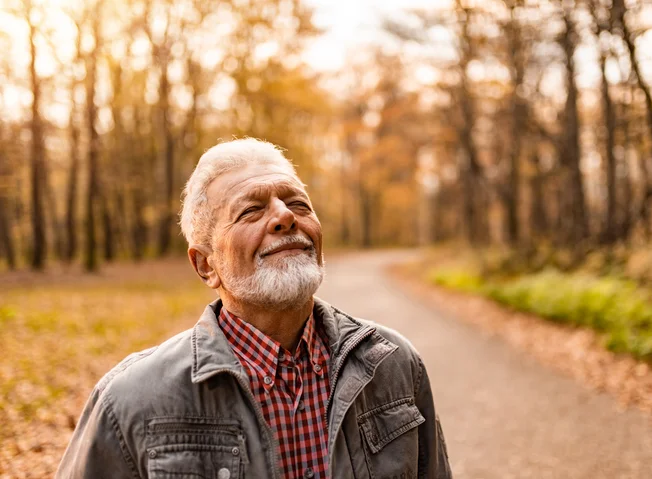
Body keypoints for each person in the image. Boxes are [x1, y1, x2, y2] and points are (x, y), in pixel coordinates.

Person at [56, 138, 452, 478]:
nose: (284, 216)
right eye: (250, 211)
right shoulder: (129, 401)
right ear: (205, 265)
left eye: (298, 203)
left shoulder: (394, 365)